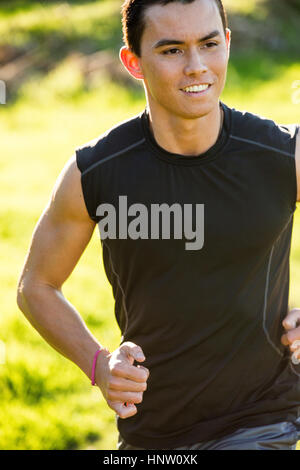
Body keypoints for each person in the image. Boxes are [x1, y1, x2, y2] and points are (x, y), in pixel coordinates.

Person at [17, 0, 300, 450]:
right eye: (172, 51)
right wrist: (99, 365)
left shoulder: (283, 154)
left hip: (263, 420)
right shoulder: (95, 172)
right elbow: (36, 285)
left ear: (227, 44)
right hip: (150, 433)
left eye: (209, 44)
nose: (197, 67)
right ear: (133, 62)